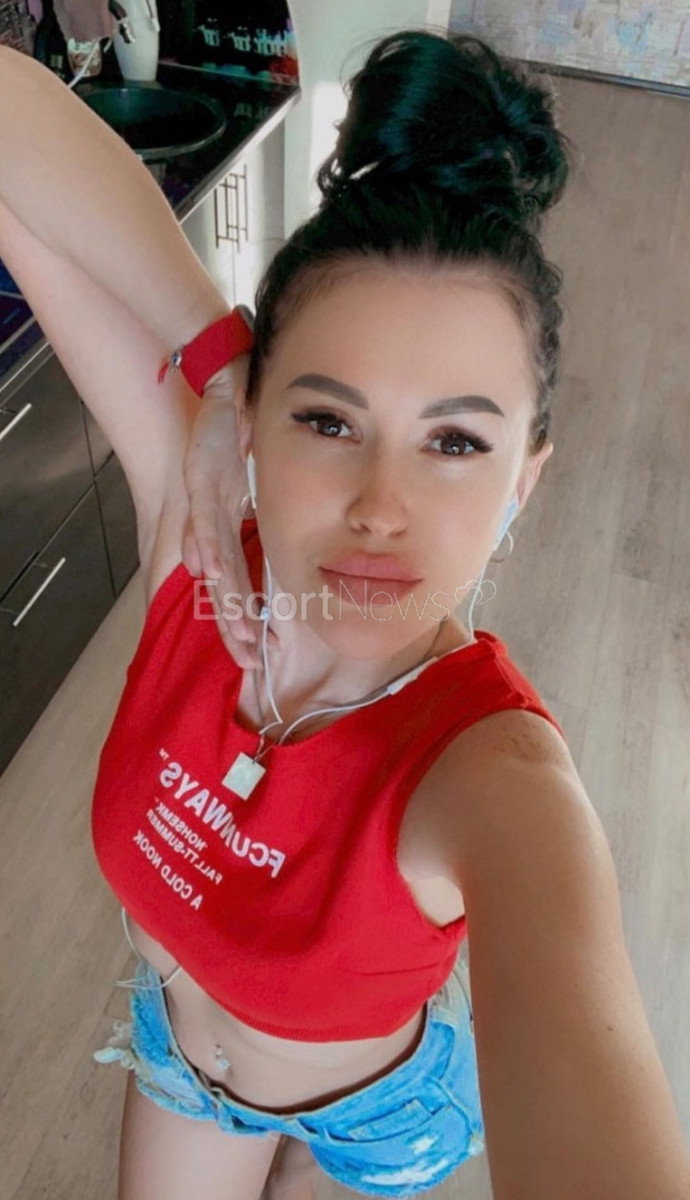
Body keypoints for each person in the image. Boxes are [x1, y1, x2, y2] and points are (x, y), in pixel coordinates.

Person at [1, 28, 689, 1200]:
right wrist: (215, 350)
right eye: (326, 420)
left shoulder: (498, 782)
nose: (381, 507)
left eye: (456, 442)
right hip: (182, 1065)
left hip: (374, 1115)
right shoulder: (194, 538)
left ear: (524, 481)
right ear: (251, 418)